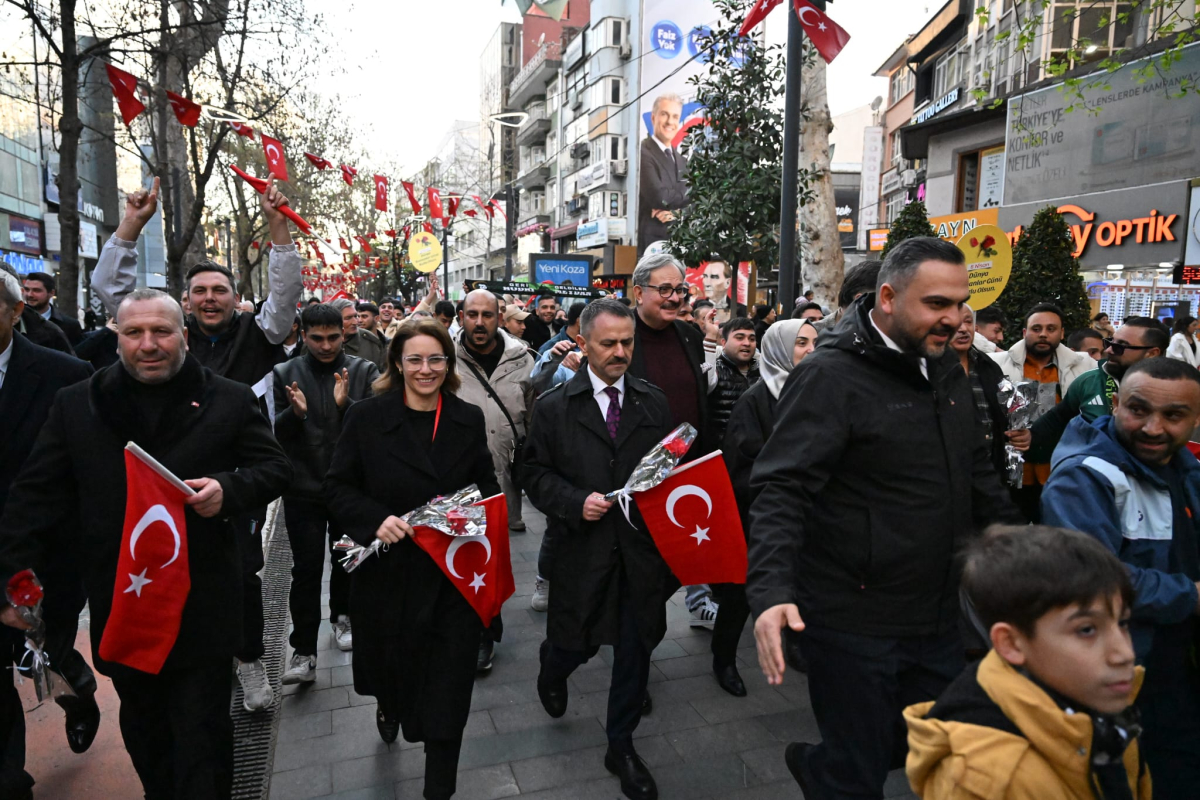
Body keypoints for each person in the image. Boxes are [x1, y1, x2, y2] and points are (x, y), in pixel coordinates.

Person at [748, 237, 1020, 800]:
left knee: (932, 741)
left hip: (938, 611)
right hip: (852, 618)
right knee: (859, 774)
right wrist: (771, 591)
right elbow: (782, 487)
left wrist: (1030, 557)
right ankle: (833, 770)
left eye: (961, 303)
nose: (954, 319)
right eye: (937, 304)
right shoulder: (829, 377)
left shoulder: (946, 371)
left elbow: (976, 476)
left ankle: (828, 762)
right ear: (889, 297)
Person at [0, 287, 291, 798]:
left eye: (161, 331)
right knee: (149, 741)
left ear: (184, 335)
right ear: (116, 337)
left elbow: (274, 468)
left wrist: (228, 489)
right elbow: (33, 498)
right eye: (134, 332)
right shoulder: (76, 405)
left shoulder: (227, 398)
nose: (148, 344)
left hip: (201, 606)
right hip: (125, 609)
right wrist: (13, 580)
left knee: (202, 748)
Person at [92, 175, 301, 712]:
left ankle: (249, 661)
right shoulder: (160, 335)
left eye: (220, 291)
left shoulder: (261, 334)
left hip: (232, 489)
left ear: (237, 300)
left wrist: (279, 231)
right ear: (184, 304)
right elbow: (116, 297)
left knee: (241, 573)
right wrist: (130, 228)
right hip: (155, 487)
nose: (210, 300)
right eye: (200, 292)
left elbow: (284, 296)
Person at [323, 320, 500, 800]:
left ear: (449, 363)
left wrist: (472, 517)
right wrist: (374, 518)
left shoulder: (465, 418)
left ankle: (438, 788)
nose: (426, 369)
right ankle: (391, 704)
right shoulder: (365, 417)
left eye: (436, 359)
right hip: (389, 578)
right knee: (394, 673)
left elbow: (488, 489)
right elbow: (336, 487)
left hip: (452, 580)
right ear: (397, 364)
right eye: (415, 359)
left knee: (449, 688)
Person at [524, 299, 676, 800]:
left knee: (635, 648)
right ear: (583, 343)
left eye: (627, 342)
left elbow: (670, 471)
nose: (619, 352)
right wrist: (573, 501)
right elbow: (534, 475)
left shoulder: (653, 404)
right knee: (578, 640)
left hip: (639, 554)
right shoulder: (553, 407)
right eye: (608, 343)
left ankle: (622, 746)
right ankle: (554, 666)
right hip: (581, 550)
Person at [1040, 357, 1200, 798]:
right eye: (1138, 409)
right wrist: (1191, 595)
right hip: (1119, 679)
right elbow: (1093, 584)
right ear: (1114, 404)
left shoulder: (1187, 471)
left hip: (1177, 673)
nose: (1152, 428)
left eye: (1172, 416)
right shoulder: (1085, 478)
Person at [905, 525, 1149, 800]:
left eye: (1123, 623)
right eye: (1086, 630)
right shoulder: (986, 778)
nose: (1124, 653)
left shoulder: (1107, 712)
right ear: (1010, 643)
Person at [0, 271, 98, 791]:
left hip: (48, 552)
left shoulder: (64, 373)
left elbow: (86, 466)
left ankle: (76, 688)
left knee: (45, 647)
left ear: (16, 312)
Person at [273, 304, 379, 685]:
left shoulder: (363, 370)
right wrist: (295, 415)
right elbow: (273, 436)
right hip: (302, 489)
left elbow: (376, 429)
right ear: (302, 335)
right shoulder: (285, 373)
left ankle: (342, 617)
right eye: (316, 338)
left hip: (349, 489)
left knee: (347, 558)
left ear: (343, 334)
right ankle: (302, 649)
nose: (325, 345)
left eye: (333, 337)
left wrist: (345, 405)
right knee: (304, 571)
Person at [713, 319, 816, 698]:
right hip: (756, 516)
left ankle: (797, 644)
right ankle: (723, 660)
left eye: (814, 343)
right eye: (801, 342)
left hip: (804, 512)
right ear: (778, 349)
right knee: (740, 593)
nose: (810, 350)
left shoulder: (814, 392)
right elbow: (741, 466)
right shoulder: (754, 400)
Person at [626, 253, 717, 629]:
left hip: (690, 471)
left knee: (691, 557)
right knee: (643, 581)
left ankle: (696, 603)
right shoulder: (620, 336)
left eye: (679, 289)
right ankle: (636, 662)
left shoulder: (689, 335)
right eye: (664, 289)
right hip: (639, 476)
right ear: (638, 292)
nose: (674, 298)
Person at [454, 289, 534, 670]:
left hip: (504, 480)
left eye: (488, 314)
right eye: (473, 314)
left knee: (492, 561)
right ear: (461, 316)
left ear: (499, 317)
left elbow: (535, 419)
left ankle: (487, 629)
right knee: (463, 557)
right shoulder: (443, 357)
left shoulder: (523, 360)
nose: (480, 322)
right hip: (456, 479)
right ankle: (473, 630)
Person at [989, 303, 1096, 521]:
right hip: (1013, 471)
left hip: (1061, 469)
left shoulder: (1084, 365)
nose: (1044, 335)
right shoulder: (996, 364)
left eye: (1051, 329)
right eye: (1037, 329)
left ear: (1062, 333)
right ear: (1025, 332)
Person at [1030, 317, 1168, 457]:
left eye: (1121, 346)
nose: (1109, 350)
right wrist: (1027, 438)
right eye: (1110, 342)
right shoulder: (1088, 381)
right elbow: (1055, 420)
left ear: (1152, 353)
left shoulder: (1173, 392)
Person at [951, 304, 1027, 478]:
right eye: (956, 323)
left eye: (968, 322)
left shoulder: (989, 366)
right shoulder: (926, 367)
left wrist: (1025, 434)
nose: (963, 329)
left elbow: (1014, 411)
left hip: (990, 473)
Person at [637, 93, 689, 255]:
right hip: (651, 245)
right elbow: (660, 197)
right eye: (664, 114)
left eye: (675, 117)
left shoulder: (683, 161)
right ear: (653, 118)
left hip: (681, 244)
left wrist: (677, 213)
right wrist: (685, 196)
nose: (669, 122)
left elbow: (697, 200)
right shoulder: (642, 152)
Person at [708, 317, 759, 446]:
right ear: (724, 343)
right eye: (739, 338)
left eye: (752, 339)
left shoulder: (763, 372)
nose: (747, 343)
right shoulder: (715, 371)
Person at [22, 272, 84, 346]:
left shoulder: (70, 325)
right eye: (27, 289)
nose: (29, 294)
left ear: (51, 293)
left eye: (36, 290)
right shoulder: (13, 320)